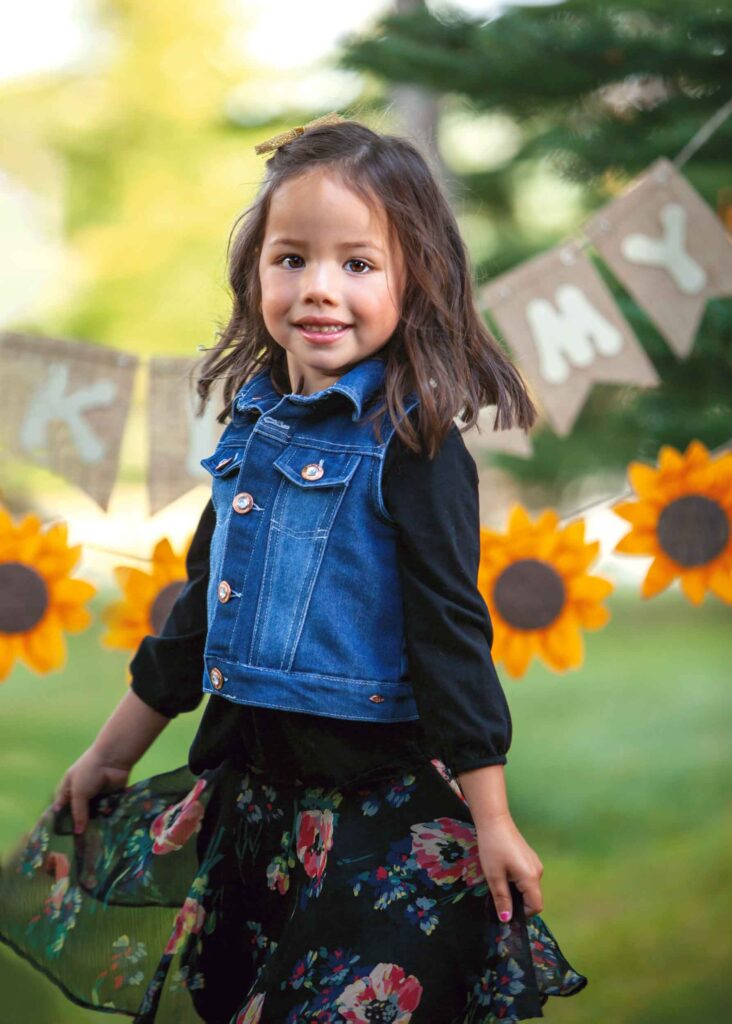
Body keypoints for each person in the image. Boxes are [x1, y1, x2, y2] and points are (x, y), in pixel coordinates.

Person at [0, 114, 588, 1023]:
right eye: (292, 258)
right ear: (255, 273)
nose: (320, 289)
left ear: (413, 280)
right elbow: (196, 622)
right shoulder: (250, 434)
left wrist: (494, 818)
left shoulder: (415, 449)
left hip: (371, 820)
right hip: (252, 820)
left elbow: (451, 638)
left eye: (358, 264)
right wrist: (106, 754)